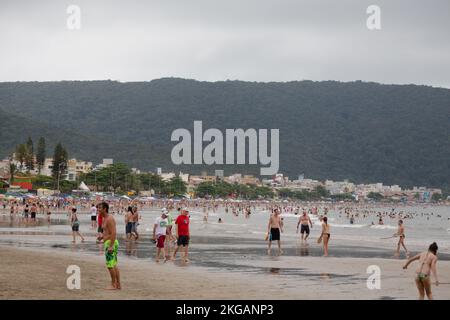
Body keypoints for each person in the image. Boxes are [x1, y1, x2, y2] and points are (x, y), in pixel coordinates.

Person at [97, 202, 121, 290]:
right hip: (109, 242)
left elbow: (114, 233)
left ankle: (113, 284)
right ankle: (118, 284)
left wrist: (111, 245)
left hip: (111, 243)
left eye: (100, 208)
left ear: (105, 209)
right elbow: (108, 232)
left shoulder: (110, 218)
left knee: (110, 265)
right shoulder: (105, 218)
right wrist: (102, 237)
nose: (98, 210)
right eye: (98, 208)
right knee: (113, 264)